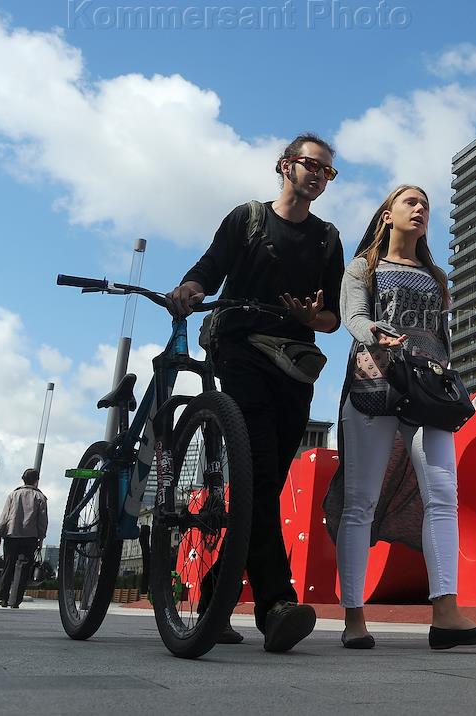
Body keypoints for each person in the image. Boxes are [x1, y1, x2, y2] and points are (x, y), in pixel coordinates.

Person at [166, 132, 345, 652]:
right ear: (285, 166)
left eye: (327, 171)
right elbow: (210, 267)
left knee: (262, 484)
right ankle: (276, 605)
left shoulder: (328, 238)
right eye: (311, 165)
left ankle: (212, 602)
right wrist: (191, 288)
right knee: (261, 468)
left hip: (295, 362)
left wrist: (311, 317)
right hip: (241, 350)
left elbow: (332, 317)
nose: (319, 176)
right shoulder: (247, 218)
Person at [331, 184, 476, 650]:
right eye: (411, 201)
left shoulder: (436, 275)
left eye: (426, 204)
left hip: (427, 393)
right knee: (360, 503)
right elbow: (353, 317)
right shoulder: (363, 267)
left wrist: (449, 381)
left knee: (443, 496)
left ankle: (446, 614)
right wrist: (376, 332)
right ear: (387, 214)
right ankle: (354, 617)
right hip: (374, 386)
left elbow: (441, 338)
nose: (421, 208)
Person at [0, 468, 48, 608]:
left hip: (12, 534)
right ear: (37, 481)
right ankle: (16, 600)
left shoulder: (13, 495)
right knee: (24, 569)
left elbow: (4, 516)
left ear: (23, 479)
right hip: (30, 537)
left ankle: (3, 598)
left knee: (8, 566)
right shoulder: (40, 497)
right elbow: (42, 520)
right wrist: (41, 538)